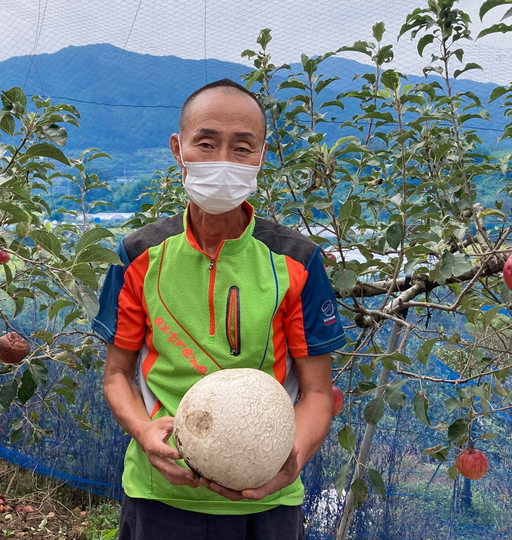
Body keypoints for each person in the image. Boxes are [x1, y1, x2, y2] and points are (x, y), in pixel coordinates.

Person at [92, 78, 346, 540]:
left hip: (266, 502)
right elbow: (116, 375)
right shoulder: (138, 254)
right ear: (178, 148)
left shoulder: (298, 260)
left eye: (242, 147)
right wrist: (145, 434)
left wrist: (292, 460)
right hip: (160, 496)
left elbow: (316, 393)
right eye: (206, 143)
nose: (223, 161)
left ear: (262, 155)